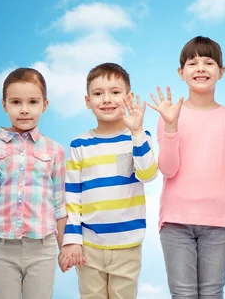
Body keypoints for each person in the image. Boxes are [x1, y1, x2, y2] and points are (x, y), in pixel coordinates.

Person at [148, 36, 225, 299]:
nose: (200, 68)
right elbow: (167, 170)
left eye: (208, 62)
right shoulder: (170, 115)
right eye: (192, 63)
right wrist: (170, 126)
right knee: (182, 294)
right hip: (176, 222)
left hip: (219, 224)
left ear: (221, 72)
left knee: (213, 293)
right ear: (181, 73)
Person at [0, 67, 66, 299]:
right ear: (4, 105)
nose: (24, 110)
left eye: (33, 102)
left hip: (42, 247)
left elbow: (59, 204)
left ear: (44, 105)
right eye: (16, 102)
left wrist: (64, 247)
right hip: (1, 246)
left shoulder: (54, 150)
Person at [59, 62, 158, 299]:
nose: (107, 99)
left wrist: (137, 133)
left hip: (128, 244)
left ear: (128, 97)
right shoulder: (79, 145)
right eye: (98, 93)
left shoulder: (140, 137)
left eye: (115, 92)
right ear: (87, 101)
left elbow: (149, 174)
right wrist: (71, 240)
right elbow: (71, 195)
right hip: (89, 245)